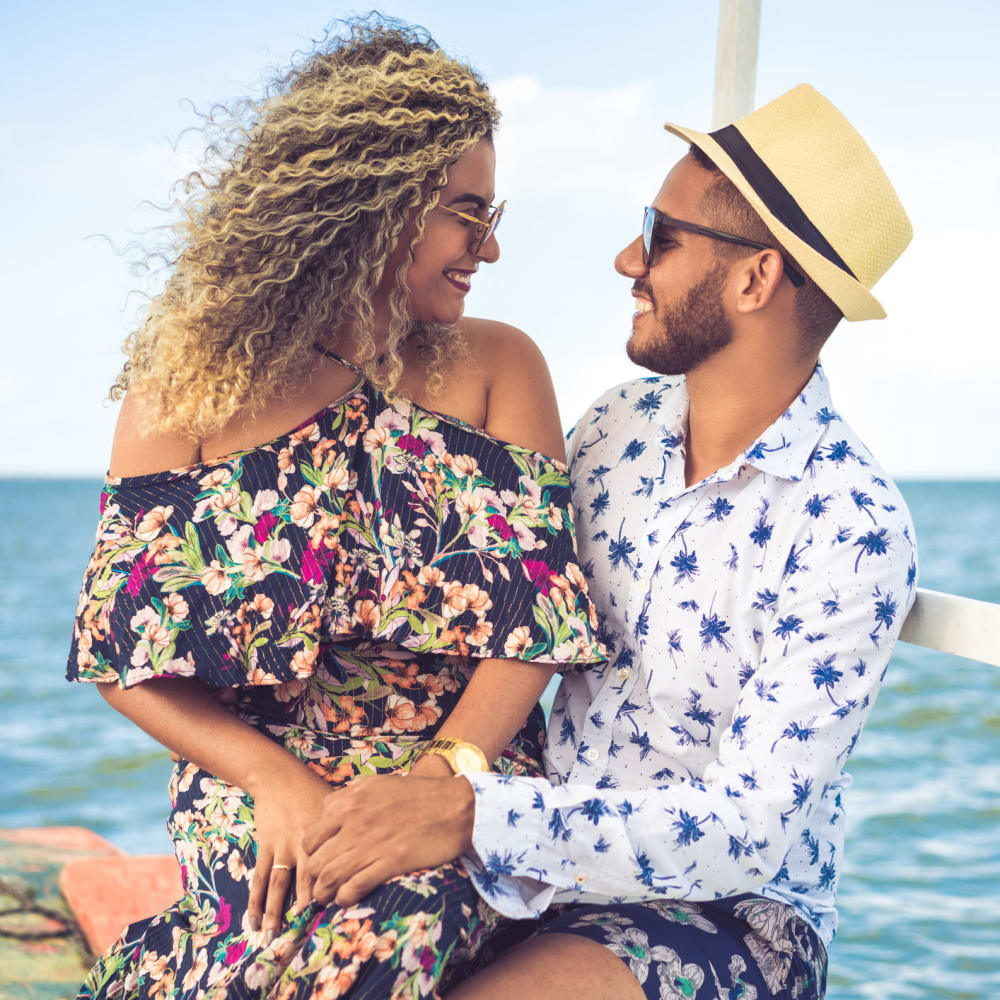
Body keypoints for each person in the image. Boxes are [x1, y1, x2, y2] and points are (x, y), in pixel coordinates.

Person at [301, 84, 918, 999]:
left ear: (756, 279)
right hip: (532, 869)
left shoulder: (851, 527)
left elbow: (744, 830)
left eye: (660, 235)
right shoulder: (614, 428)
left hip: (730, 915)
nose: (629, 258)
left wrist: (471, 813)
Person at [66, 16, 606, 999]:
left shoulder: (498, 365)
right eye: (465, 212)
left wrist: (447, 774)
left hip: (446, 776)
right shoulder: (186, 386)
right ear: (375, 201)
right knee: (261, 941)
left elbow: (536, 626)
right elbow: (122, 655)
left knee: (387, 935)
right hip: (253, 782)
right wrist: (273, 781)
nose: (488, 245)